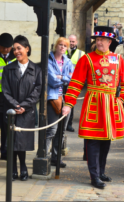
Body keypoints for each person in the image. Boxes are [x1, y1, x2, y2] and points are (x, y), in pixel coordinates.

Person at [62, 26, 124, 189]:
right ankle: (94, 175)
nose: (99, 42)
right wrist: (69, 104)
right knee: (92, 141)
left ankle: (101, 171)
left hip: (111, 105)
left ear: (109, 41)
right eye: (97, 40)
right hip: (94, 103)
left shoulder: (118, 59)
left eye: (102, 40)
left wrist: (121, 99)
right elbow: (76, 82)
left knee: (106, 141)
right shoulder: (87, 58)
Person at [2, 35, 42, 181]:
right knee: (12, 141)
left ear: (27, 49)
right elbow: (5, 90)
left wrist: (24, 106)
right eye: (14, 49)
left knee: (22, 142)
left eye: (19, 48)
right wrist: (15, 105)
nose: (16, 51)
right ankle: (13, 169)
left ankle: (23, 168)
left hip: (26, 112)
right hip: (11, 111)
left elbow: (37, 90)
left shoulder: (36, 69)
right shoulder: (8, 69)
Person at [46, 37, 74, 168]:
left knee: (61, 130)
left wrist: (61, 77)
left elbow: (72, 79)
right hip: (53, 97)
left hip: (66, 98)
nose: (62, 47)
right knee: (52, 129)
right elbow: (52, 80)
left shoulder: (68, 61)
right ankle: (44, 156)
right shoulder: (49, 60)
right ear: (55, 46)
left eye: (65, 46)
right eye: (60, 45)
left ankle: (56, 158)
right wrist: (65, 78)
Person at [0, 33, 16, 160]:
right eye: (3, 47)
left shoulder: (15, 57)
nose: (6, 50)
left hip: (9, 96)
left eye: (8, 47)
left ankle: (5, 151)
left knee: (6, 125)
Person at [67, 35, 85, 132]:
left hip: (74, 81)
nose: (71, 43)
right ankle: (62, 123)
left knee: (71, 103)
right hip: (62, 81)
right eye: (70, 41)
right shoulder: (63, 50)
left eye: (73, 41)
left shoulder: (81, 53)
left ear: (76, 42)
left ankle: (69, 123)